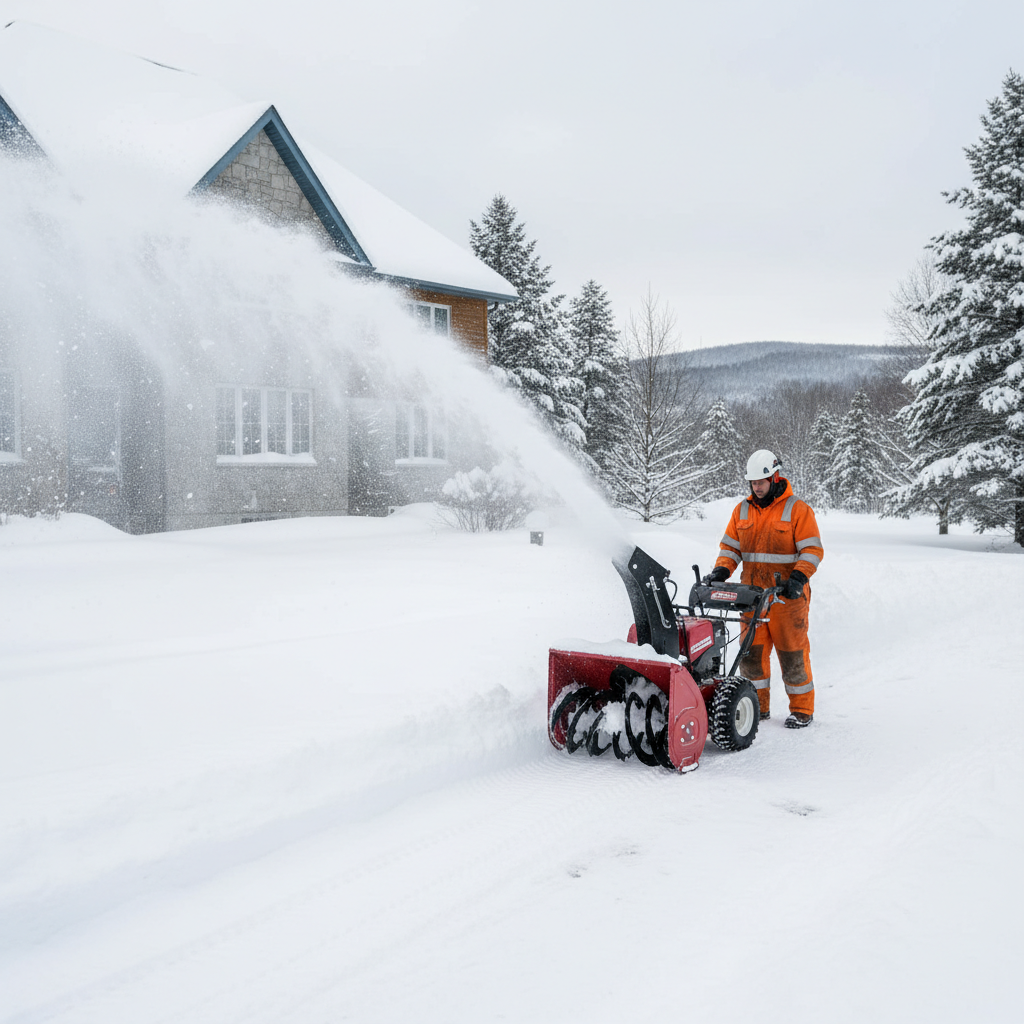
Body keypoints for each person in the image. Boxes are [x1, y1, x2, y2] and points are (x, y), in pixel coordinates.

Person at [704, 450, 824, 728]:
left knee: (792, 654)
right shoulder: (742, 510)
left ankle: (802, 709)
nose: (757, 487)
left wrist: (798, 578)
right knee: (751, 656)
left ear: (775, 477)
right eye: (753, 483)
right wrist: (722, 570)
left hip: (787, 598)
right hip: (752, 597)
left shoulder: (797, 509)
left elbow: (812, 550)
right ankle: (756, 707)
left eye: (761, 482)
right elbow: (731, 548)